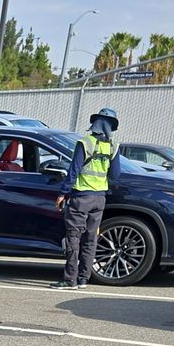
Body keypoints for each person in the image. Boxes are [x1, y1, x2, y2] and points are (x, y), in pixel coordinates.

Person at [52, 107, 122, 290]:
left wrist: (62, 193)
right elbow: (115, 175)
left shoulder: (85, 143)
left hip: (81, 197)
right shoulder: (113, 146)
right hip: (100, 199)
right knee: (91, 239)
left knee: (73, 238)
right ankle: (84, 279)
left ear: (95, 123)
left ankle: (69, 279)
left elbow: (73, 171)